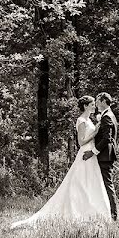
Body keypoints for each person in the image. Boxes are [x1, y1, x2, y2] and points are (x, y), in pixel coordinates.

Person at [10, 95, 111, 229]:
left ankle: (92, 213)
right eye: (92, 104)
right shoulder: (81, 120)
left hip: (91, 154)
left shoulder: (89, 120)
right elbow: (81, 141)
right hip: (85, 152)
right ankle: (78, 211)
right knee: (80, 183)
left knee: (90, 183)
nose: (94, 106)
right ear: (86, 106)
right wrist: (95, 132)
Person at [82, 92, 119, 221]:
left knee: (107, 185)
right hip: (106, 155)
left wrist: (92, 152)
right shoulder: (108, 115)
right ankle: (106, 213)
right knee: (105, 184)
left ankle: (113, 216)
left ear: (103, 101)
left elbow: (107, 139)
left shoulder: (107, 117)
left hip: (104, 156)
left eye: (97, 101)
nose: (96, 104)